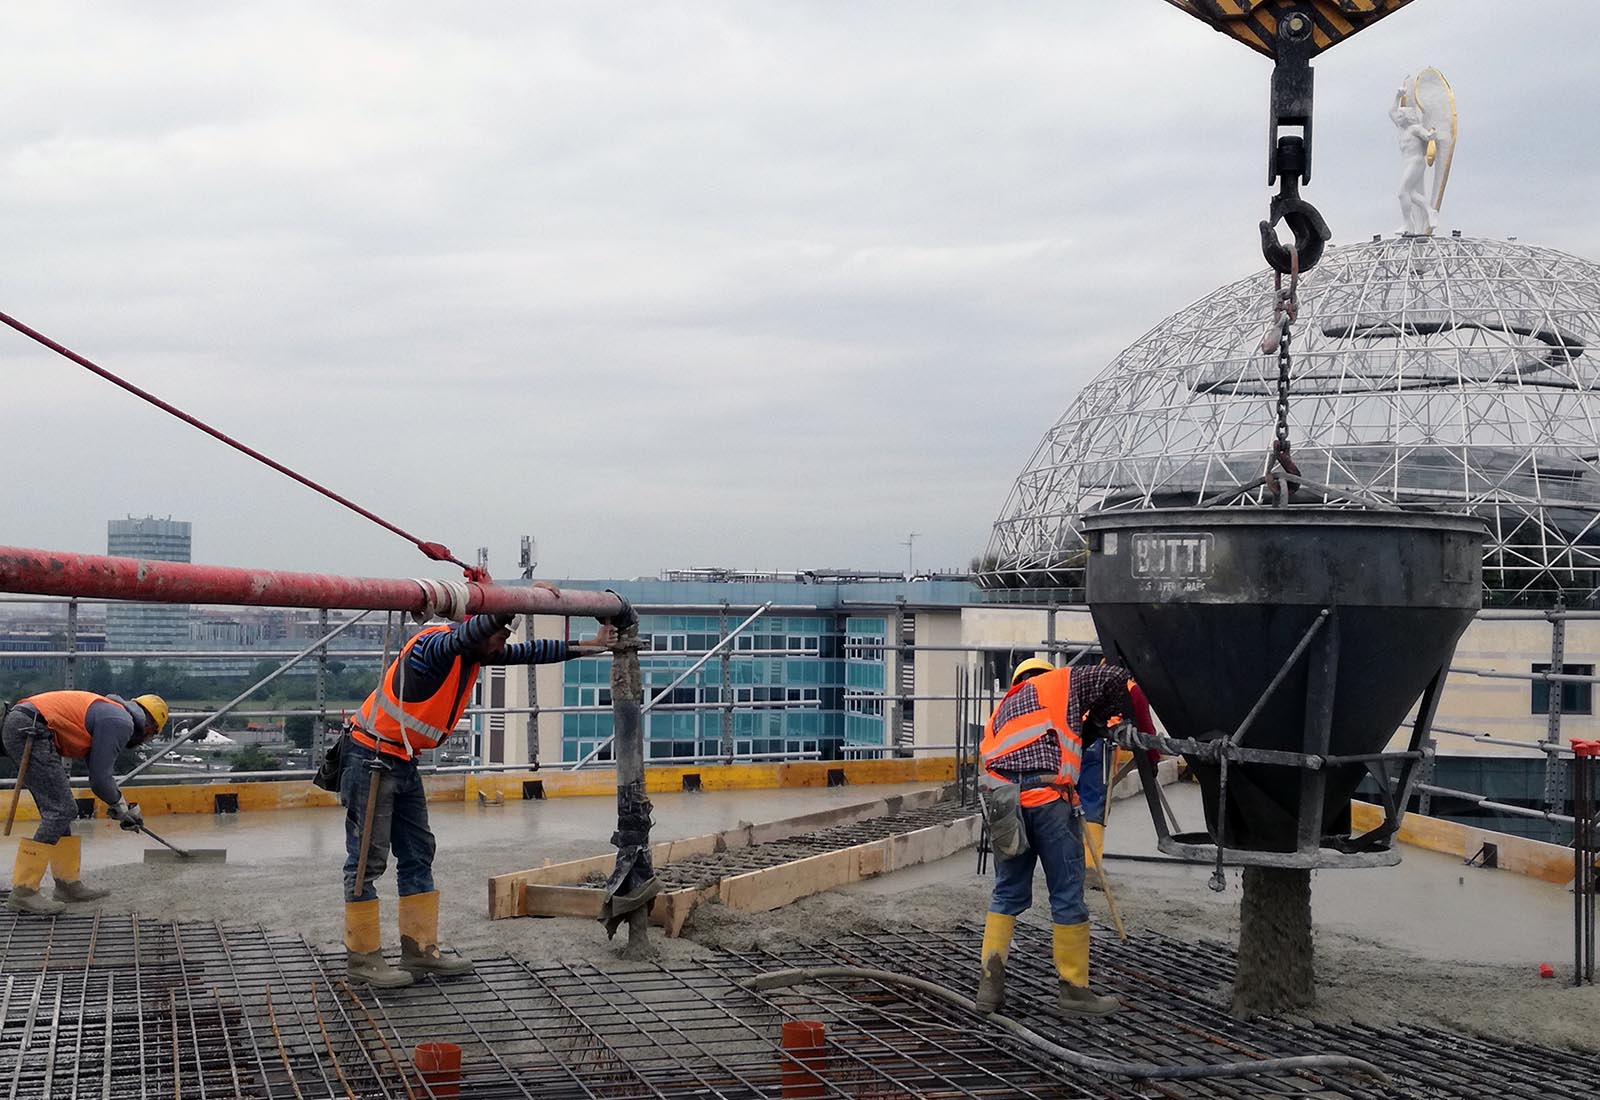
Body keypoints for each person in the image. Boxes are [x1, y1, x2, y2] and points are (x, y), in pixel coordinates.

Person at [340, 605, 618, 987]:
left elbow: (532, 652)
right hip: (370, 756)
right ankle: (363, 957)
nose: (503, 644)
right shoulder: (434, 649)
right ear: (477, 629)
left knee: (418, 852)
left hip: (401, 759)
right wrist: (512, 603)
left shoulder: (474, 654)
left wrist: (591, 646)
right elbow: (468, 635)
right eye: (500, 634)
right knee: (366, 862)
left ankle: (419, 950)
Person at [976, 658, 1133, 1016]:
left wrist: (1090, 727)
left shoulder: (1001, 714)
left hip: (1005, 805)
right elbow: (1113, 676)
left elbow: (1054, 741)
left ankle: (989, 989)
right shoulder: (1061, 684)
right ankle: (1074, 992)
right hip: (1049, 801)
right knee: (1066, 894)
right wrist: (1124, 716)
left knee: (1006, 893)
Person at [2, 690, 169, 915]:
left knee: (59, 808)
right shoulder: (120, 722)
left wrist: (119, 806)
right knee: (62, 809)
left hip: (27, 725)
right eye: (150, 736)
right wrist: (121, 807)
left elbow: (99, 777)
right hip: (31, 730)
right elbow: (101, 781)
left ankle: (67, 884)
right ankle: (24, 891)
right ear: (149, 727)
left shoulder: (110, 713)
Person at [1078, 676, 1159, 885]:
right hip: (1100, 744)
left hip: (1074, 740)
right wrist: (1152, 759)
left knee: (1072, 803)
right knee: (1095, 807)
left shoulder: (1090, 680)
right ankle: (1089, 868)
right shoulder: (1131, 688)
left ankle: (1071, 864)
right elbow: (1145, 726)